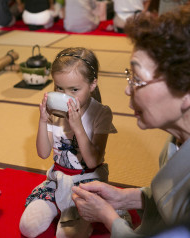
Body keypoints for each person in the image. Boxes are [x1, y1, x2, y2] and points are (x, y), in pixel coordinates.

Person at [72, 5, 190, 238]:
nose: (128, 89)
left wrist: (109, 217)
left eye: (137, 79)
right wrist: (123, 197)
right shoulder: (176, 140)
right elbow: (171, 202)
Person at [19, 47, 118, 237]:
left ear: (92, 84)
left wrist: (78, 127)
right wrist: (43, 121)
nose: (65, 96)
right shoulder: (55, 111)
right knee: (28, 227)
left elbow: (92, 161)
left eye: (74, 89)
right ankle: (61, 208)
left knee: (65, 235)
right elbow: (43, 153)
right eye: (59, 88)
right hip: (57, 180)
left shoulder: (101, 113)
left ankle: (85, 217)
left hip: (86, 183)